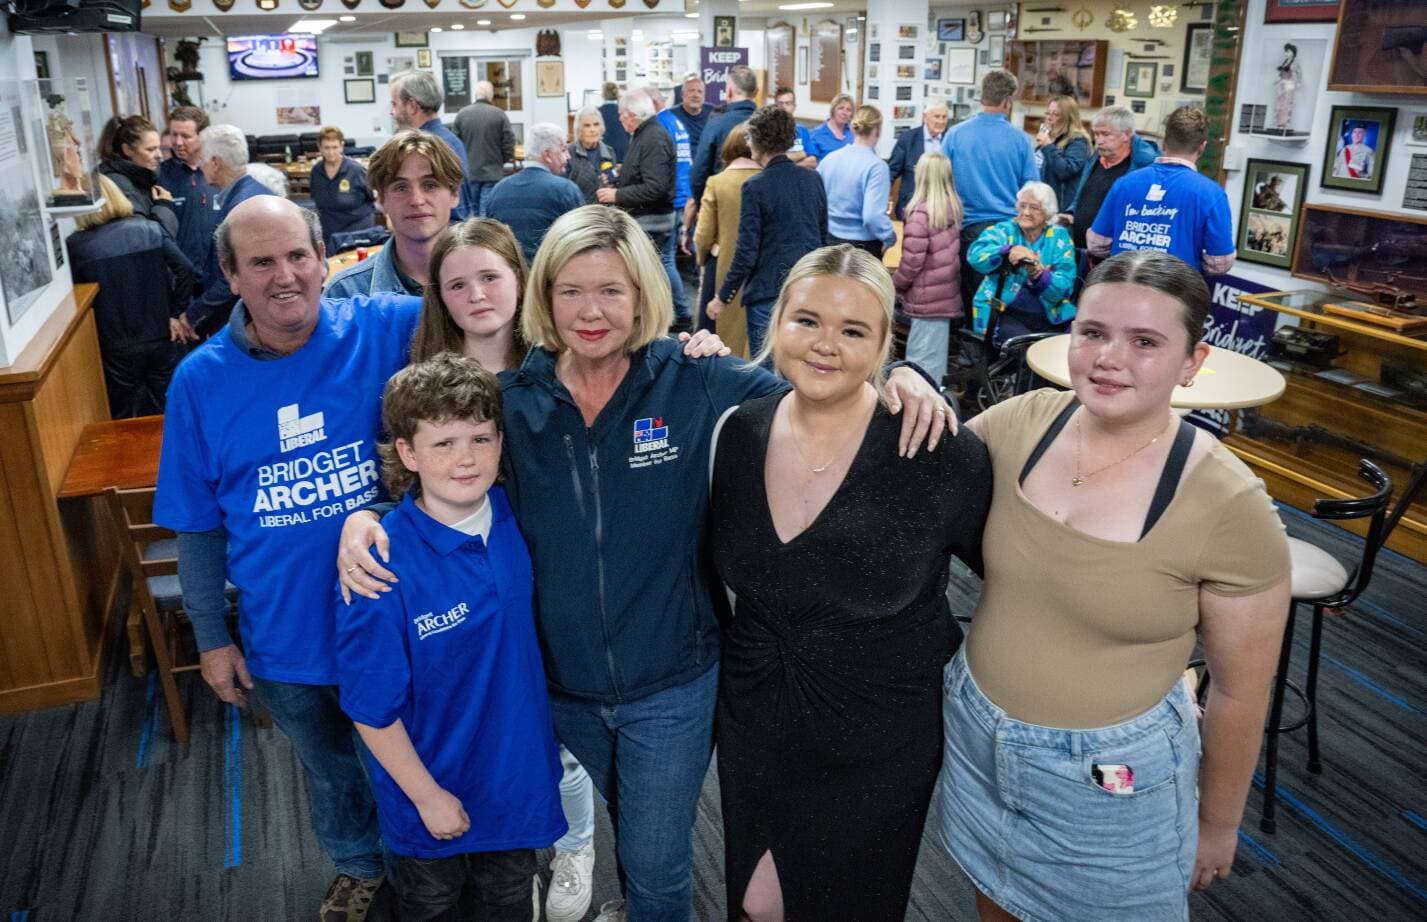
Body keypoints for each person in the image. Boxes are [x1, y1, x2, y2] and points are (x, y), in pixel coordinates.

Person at [336, 205, 951, 922]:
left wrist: (901, 373)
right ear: (545, 296)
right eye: (570, 291)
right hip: (558, 688)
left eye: (612, 291)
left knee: (657, 868)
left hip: (671, 686)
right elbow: (448, 466)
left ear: (643, 296)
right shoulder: (515, 402)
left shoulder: (692, 380)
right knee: (606, 838)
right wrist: (369, 517)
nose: (590, 311)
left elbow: (818, 384)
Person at [938, 250, 1291, 922]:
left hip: (1109, 783)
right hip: (975, 740)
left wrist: (1216, 825)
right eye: (1092, 333)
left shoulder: (1228, 503)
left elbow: (1242, 689)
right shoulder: (1021, 424)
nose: (1108, 358)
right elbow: (906, 471)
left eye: (1145, 342)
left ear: (1192, 362)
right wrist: (901, 387)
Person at [155, 197, 417, 922]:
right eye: (261, 262)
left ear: (325, 256)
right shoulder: (199, 383)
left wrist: (672, 345)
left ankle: (424, 876)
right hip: (285, 640)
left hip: (395, 622)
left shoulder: (385, 327)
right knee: (330, 772)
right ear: (230, 276)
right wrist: (212, 638)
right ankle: (360, 869)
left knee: (410, 766)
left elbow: (495, 305)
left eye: (298, 255)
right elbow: (198, 527)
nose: (285, 276)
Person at [711, 244, 990, 922]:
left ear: (885, 343)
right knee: (754, 901)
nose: (824, 346)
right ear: (775, 322)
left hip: (880, 731)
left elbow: (1017, 581)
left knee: (850, 903)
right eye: (806, 320)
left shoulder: (934, 449)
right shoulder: (738, 434)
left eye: (853, 330)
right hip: (756, 713)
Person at [338, 353, 567, 922]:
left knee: (509, 902)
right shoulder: (379, 565)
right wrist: (426, 796)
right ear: (408, 453)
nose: (466, 459)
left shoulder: (522, 516)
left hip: (516, 784)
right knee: (432, 908)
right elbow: (371, 709)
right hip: (431, 794)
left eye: (480, 439)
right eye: (443, 444)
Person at [66, 173, 195, 418]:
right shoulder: (150, 229)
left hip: (115, 346)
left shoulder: (77, 246)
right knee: (174, 410)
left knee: (126, 417)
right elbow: (186, 269)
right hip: (162, 334)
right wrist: (175, 313)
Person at [708, 105, 829, 358]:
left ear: (758, 141)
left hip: (767, 292)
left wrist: (723, 297)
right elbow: (821, 238)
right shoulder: (813, 179)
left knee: (766, 374)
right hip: (806, 290)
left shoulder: (755, 187)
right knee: (798, 363)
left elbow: (747, 252)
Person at [1088, 106, 1235, 276]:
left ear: (1164, 142)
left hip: (1123, 282)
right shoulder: (1211, 194)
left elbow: (1097, 244)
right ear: (1202, 147)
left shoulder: (1124, 183)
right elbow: (1219, 263)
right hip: (1176, 289)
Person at [943, 70, 1040, 312]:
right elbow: (1032, 189)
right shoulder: (1021, 140)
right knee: (1003, 306)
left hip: (968, 230)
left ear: (982, 97)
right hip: (1009, 234)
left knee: (971, 301)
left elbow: (940, 183)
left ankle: (970, 347)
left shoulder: (955, 135)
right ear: (1008, 101)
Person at [326, 130, 462, 299]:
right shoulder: (345, 293)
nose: (417, 200)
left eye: (430, 185)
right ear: (382, 200)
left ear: (454, 194)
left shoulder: (491, 282)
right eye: (401, 188)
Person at [185, 124, 276, 337]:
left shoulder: (241, 209)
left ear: (215, 163)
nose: (199, 165)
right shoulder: (253, 192)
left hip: (245, 322)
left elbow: (235, 277)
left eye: (202, 158)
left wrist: (193, 314)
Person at [966, 180, 1077, 338]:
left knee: (1063, 347)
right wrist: (1008, 250)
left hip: (1049, 312)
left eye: (1034, 208)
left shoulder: (1059, 237)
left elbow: (1065, 286)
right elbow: (975, 255)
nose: (1025, 212)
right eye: (1022, 205)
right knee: (1022, 347)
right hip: (1004, 311)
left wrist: (1039, 273)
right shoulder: (1004, 230)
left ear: (1047, 212)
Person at [892, 150, 964, 386]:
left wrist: (894, 285)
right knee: (934, 364)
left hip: (925, 300)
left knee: (918, 367)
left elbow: (912, 263)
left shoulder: (920, 214)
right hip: (943, 296)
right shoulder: (951, 209)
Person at [694, 125, 761, 357]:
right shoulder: (766, 181)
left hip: (722, 268)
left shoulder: (717, 182)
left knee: (716, 338)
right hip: (759, 272)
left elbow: (703, 234)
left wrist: (703, 256)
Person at [596, 89, 677, 271]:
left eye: (621, 115)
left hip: (651, 222)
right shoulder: (644, 135)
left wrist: (617, 195)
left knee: (653, 273)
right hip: (646, 220)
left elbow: (655, 187)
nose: (619, 119)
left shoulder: (652, 138)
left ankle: (676, 302)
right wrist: (623, 172)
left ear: (632, 115)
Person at [1060, 106, 1159, 250]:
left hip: (1115, 254)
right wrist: (1070, 213)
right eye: (1096, 134)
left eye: (1105, 134)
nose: (1099, 141)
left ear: (1126, 134)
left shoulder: (1145, 167)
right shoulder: (1096, 158)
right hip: (1081, 250)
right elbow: (1082, 196)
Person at [485, 122, 585, 264]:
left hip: (511, 275)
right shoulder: (566, 190)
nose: (568, 156)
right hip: (548, 277)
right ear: (547, 155)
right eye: (563, 150)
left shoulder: (497, 191)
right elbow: (581, 242)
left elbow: (490, 242)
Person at [817, 105, 897, 259]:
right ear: (878, 131)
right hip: (863, 246)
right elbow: (872, 216)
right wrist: (889, 236)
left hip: (830, 239)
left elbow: (816, 202)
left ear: (853, 129)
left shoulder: (829, 159)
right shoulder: (877, 167)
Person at [391, 70, 471, 217]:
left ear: (412, 106)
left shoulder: (425, 148)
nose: (393, 112)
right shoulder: (451, 140)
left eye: (395, 104)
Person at [96, 114, 179, 240]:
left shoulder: (142, 178)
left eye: (159, 148)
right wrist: (164, 206)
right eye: (151, 149)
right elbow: (148, 241)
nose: (159, 155)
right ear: (127, 150)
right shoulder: (120, 185)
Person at [651, 86, 694, 327]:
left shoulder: (660, 125)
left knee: (665, 260)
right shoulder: (675, 122)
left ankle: (681, 311)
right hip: (683, 193)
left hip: (673, 197)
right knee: (668, 260)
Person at [689, 65, 759, 205]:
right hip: (762, 200)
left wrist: (702, 204)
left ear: (729, 92)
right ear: (756, 92)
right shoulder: (768, 122)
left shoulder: (716, 124)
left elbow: (699, 173)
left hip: (723, 200)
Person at [158, 105, 216, 270]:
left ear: (202, 136)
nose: (177, 142)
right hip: (181, 274)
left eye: (185, 136)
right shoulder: (160, 175)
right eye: (174, 134)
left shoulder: (219, 172)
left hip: (219, 274)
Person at [454, 80, 516, 218]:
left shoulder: (462, 114)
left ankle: (472, 237)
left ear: (475, 95)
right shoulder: (499, 114)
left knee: (471, 213)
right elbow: (508, 141)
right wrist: (503, 160)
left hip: (469, 172)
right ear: (491, 96)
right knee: (486, 212)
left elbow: (455, 144)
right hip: (493, 171)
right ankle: (484, 237)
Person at [309, 125, 375, 254]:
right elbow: (316, 200)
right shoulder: (316, 171)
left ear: (342, 146)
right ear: (319, 147)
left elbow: (372, 197)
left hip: (356, 230)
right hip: (329, 230)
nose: (331, 152)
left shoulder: (356, 170)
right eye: (326, 148)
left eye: (335, 147)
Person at [888, 100, 949, 220]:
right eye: (936, 116)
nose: (941, 121)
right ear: (925, 117)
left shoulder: (951, 138)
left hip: (942, 207)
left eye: (944, 117)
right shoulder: (908, 139)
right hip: (912, 206)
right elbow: (891, 172)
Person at [1034, 94, 1091, 216]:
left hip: (1058, 207)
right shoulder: (1050, 138)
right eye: (1048, 113)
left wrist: (1048, 146)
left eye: (1055, 114)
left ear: (1068, 118)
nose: (1049, 118)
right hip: (1039, 202)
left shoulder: (1078, 141)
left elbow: (1065, 170)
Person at [567, 106, 618, 204]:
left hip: (604, 209)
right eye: (587, 125)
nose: (592, 129)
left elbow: (613, 182)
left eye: (596, 124)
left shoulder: (609, 151)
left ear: (601, 127)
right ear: (579, 129)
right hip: (578, 210)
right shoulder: (569, 152)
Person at [772, 86, 818, 168]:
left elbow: (813, 162)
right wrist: (802, 154)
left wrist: (789, 165)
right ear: (775, 106)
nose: (784, 107)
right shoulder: (768, 130)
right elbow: (771, 160)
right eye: (780, 103)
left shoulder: (802, 131)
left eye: (788, 103)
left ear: (794, 106)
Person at [804, 93, 855, 163]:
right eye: (840, 108)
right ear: (833, 110)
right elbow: (811, 162)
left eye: (848, 110)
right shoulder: (817, 134)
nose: (844, 112)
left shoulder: (853, 132)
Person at [675, 73, 711, 154]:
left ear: (704, 96)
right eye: (691, 91)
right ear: (682, 94)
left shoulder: (713, 113)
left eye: (700, 92)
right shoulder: (671, 116)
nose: (696, 95)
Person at [1273, 43, 1302, 132]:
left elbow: (1299, 73)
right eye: (1286, 51)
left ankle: (1285, 123)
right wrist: (1277, 80)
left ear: (1293, 53)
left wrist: (1299, 82)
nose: (1286, 53)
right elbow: (1281, 74)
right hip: (1282, 83)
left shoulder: (1295, 64)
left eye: (1288, 51)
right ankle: (1277, 122)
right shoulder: (1284, 62)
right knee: (1279, 103)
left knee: (1287, 103)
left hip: (1289, 83)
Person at [598, 82, 630, 164]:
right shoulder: (624, 111)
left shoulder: (598, 113)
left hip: (605, 152)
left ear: (603, 95)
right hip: (623, 151)